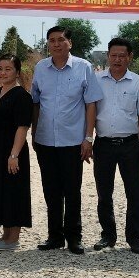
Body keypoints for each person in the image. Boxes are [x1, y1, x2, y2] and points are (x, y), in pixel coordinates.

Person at [31, 25, 103, 254]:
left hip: (73, 141)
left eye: (61, 39)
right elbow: (35, 102)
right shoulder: (41, 68)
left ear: (69, 43)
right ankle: (54, 236)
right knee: (51, 190)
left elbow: (91, 104)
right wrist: (34, 132)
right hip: (45, 140)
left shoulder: (84, 67)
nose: (56, 44)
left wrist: (88, 138)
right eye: (52, 40)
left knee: (72, 190)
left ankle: (74, 237)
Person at [91, 37, 139, 254]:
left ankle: (134, 238)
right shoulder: (96, 80)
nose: (117, 59)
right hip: (103, 144)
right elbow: (90, 111)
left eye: (122, 56)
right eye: (113, 55)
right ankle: (108, 235)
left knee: (134, 192)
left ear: (130, 57)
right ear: (107, 56)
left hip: (130, 145)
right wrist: (87, 139)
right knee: (103, 192)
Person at [0, 54, 33, 251]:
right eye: (0, 69)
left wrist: (14, 155)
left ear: (17, 72)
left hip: (13, 152)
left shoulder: (22, 96)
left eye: (8, 69)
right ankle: (5, 234)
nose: (3, 73)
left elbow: (22, 127)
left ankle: (13, 238)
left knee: (14, 192)